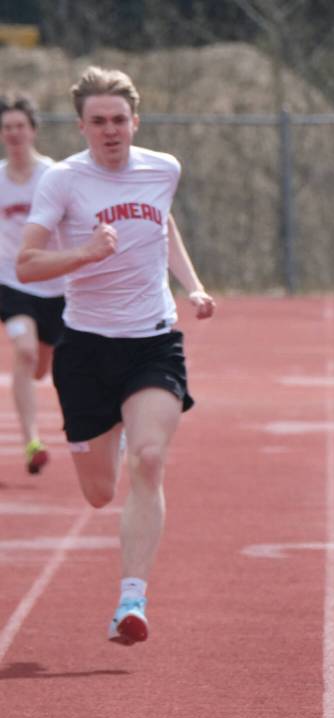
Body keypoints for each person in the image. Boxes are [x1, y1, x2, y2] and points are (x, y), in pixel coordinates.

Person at [16, 66, 214, 644]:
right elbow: (28, 265)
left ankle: (132, 597)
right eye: (98, 121)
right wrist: (83, 253)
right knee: (99, 492)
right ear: (81, 126)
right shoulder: (63, 182)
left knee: (149, 461)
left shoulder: (163, 168)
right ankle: (115, 431)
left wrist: (192, 285)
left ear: (136, 122)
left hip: (153, 340)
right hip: (85, 348)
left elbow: (164, 225)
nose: (110, 130)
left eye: (119, 120)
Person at [0, 93, 66, 474]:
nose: (13, 133)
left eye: (19, 126)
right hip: (13, 282)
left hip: (53, 284)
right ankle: (32, 441)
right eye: (7, 127)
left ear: (33, 130)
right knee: (23, 353)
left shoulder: (52, 175)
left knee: (41, 367)